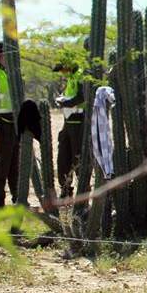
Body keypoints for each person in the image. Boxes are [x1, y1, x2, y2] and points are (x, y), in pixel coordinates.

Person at [53, 58, 85, 198]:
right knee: (63, 158)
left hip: (78, 125)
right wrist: (61, 99)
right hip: (67, 124)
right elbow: (69, 96)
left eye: (62, 69)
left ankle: (83, 193)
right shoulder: (71, 78)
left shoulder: (81, 75)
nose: (62, 73)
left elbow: (81, 97)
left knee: (78, 160)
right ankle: (66, 190)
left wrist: (65, 103)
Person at [0, 42, 19, 208]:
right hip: (0, 124)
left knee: (15, 167)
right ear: (0, 55)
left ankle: (19, 201)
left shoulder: (14, 73)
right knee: (0, 167)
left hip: (16, 123)